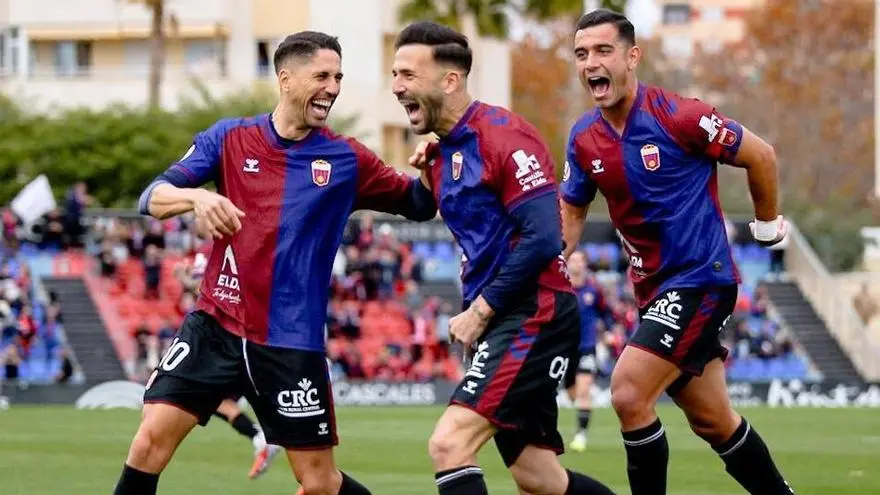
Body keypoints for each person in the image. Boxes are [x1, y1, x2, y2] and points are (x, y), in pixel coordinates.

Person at [114, 30, 437, 495]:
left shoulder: (347, 158)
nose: (332, 88)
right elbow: (152, 196)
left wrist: (429, 168)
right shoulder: (229, 138)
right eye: (321, 76)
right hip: (216, 325)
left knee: (319, 482)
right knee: (148, 444)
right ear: (285, 79)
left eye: (338, 77)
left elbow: (419, 204)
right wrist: (196, 198)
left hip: (289, 340)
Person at [559, 9, 795, 495]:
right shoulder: (583, 139)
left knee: (628, 393)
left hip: (701, 278)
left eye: (603, 51)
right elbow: (573, 210)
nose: (590, 63)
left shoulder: (680, 115)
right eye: (581, 54)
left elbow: (761, 155)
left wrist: (767, 226)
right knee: (714, 421)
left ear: (632, 57)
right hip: (653, 292)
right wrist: (551, 267)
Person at [394, 21, 616, 495]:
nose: (396, 87)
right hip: (505, 317)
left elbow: (545, 236)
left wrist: (480, 311)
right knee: (538, 478)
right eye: (395, 75)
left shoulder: (504, 136)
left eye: (408, 75)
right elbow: (420, 205)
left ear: (449, 81)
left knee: (449, 444)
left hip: (534, 311)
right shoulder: (440, 153)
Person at [189, 240, 283, 480]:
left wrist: (184, 279)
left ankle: (265, 440)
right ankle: (261, 438)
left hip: (232, 338)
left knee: (209, 397)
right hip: (240, 336)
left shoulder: (213, 247)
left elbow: (204, 290)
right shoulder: (223, 244)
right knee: (215, 399)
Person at [561, 250, 610, 452]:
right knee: (571, 392)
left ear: (585, 264)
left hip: (587, 346)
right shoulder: (561, 288)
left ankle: (581, 435)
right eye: (573, 260)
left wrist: (608, 331)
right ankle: (582, 412)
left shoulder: (593, 289)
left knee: (583, 390)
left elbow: (605, 312)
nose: (577, 264)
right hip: (564, 348)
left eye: (580, 260)